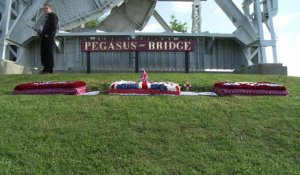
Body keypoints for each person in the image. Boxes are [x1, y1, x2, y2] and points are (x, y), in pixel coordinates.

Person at [39, 3, 58, 74]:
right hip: (44, 37)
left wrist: (49, 36)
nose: (45, 10)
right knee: (43, 53)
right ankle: (45, 68)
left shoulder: (53, 16)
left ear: (50, 8)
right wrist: (40, 33)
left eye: (46, 8)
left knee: (48, 53)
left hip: (48, 38)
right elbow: (44, 27)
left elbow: (53, 27)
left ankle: (49, 70)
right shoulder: (47, 17)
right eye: (44, 8)